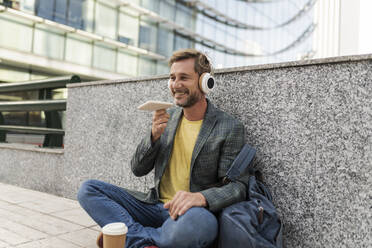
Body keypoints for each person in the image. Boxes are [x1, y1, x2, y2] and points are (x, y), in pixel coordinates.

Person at [77, 49, 248, 248]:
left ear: (205, 82)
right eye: (172, 78)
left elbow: (238, 186)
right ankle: (145, 240)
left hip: (192, 214)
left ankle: (128, 236)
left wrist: (200, 197)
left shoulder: (229, 127)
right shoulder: (168, 118)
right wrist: (153, 137)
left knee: (200, 227)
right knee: (88, 190)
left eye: (184, 77)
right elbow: (138, 169)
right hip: (154, 205)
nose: (176, 85)